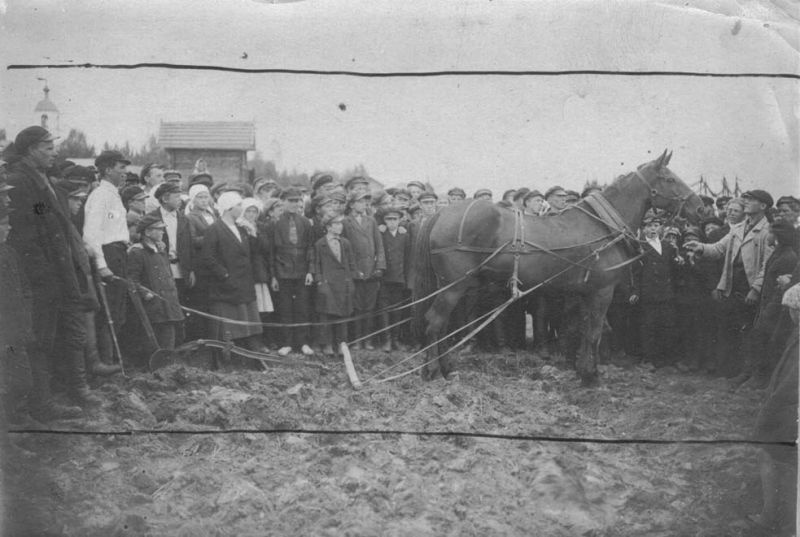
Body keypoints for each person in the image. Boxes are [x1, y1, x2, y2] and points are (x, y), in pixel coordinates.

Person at [6, 126, 102, 420]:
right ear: (31, 148)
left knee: (48, 338)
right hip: (40, 279)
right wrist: (47, 275)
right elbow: (28, 236)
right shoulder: (22, 181)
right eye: (48, 148)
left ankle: (45, 401)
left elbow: (45, 220)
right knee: (39, 339)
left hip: (53, 274)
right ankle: (40, 405)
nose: (54, 152)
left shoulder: (38, 179)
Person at [684, 189, 774, 383]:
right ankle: (728, 371)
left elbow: (768, 264)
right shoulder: (738, 228)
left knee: (749, 332)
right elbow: (717, 249)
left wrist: (756, 289)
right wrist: (699, 247)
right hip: (733, 286)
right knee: (729, 329)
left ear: (763, 206)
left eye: (751, 200)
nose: (747, 202)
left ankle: (746, 374)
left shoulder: (768, 232)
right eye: (746, 199)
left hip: (750, 289)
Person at [749, 282, 799, 535]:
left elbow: (791, 383)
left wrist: (769, 408)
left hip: (787, 412)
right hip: (787, 408)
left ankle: (772, 517)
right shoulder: (796, 335)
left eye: (792, 309)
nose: (790, 314)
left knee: (769, 454)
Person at [200, 191, 266, 356]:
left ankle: (247, 348)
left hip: (243, 281)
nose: (241, 208)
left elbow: (252, 253)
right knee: (230, 321)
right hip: (226, 284)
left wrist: (253, 235)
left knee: (246, 317)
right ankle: (230, 352)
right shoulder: (214, 229)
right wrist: (224, 275)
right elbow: (208, 257)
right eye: (238, 205)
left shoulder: (241, 228)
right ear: (229, 208)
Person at [83, 149, 132, 365]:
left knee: (119, 313)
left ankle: (112, 361)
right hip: (109, 255)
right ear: (107, 169)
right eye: (121, 168)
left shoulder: (113, 195)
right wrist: (102, 265)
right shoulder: (101, 195)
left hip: (119, 254)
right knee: (109, 315)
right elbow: (91, 234)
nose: (126, 172)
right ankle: (107, 364)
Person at [629, 211, 681, 367]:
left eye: (656, 226)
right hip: (648, 294)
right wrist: (635, 292)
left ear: (661, 228)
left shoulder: (668, 246)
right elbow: (635, 272)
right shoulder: (639, 247)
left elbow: (674, 270)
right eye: (649, 226)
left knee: (668, 326)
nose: (653, 229)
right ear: (643, 229)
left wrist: (679, 262)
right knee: (648, 327)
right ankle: (649, 359)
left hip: (666, 293)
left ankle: (668, 359)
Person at [127, 215, 184, 351]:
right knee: (156, 335)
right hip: (153, 304)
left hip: (168, 301)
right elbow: (132, 279)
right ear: (147, 232)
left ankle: (168, 363)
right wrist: (144, 293)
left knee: (170, 332)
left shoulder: (161, 250)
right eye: (158, 229)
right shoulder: (137, 252)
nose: (162, 232)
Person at [148, 182, 195, 344]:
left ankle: (182, 343)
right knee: (166, 307)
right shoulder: (153, 217)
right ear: (165, 199)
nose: (180, 200)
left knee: (182, 305)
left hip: (181, 269)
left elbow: (189, 246)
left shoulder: (184, 218)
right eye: (176, 197)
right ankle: (168, 344)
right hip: (162, 270)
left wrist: (191, 270)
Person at [271, 187, 315, 356]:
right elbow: (272, 253)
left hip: (302, 272)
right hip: (283, 272)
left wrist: (310, 271)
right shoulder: (276, 223)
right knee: (285, 308)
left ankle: (303, 342)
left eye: (297, 201)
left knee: (303, 307)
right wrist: (274, 275)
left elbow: (310, 248)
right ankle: (287, 342)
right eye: (290, 201)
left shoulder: (305, 222)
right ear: (283, 202)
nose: (294, 204)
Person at [342, 190, 386, 349]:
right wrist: (352, 271)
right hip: (355, 271)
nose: (364, 205)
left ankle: (367, 340)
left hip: (371, 271)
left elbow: (379, 245)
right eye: (360, 201)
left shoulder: (371, 221)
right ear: (352, 204)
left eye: (365, 202)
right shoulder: (345, 222)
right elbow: (345, 249)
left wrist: (380, 266)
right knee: (357, 306)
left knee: (370, 306)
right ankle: (357, 340)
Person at [311, 214, 356, 355]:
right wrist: (319, 281)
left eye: (341, 224)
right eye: (336, 224)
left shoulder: (345, 243)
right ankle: (327, 344)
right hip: (327, 283)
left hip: (343, 283)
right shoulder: (320, 244)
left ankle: (341, 343)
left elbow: (351, 262)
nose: (340, 226)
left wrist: (351, 278)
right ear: (328, 227)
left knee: (343, 314)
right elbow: (316, 263)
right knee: (326, 314)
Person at [378, 208, 412, 352]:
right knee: (384, 309)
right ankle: (386, 340)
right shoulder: (380, 233)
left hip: (399, 279)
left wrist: (406, 278)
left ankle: (395, 339)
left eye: (395, 219)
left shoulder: (405, 236)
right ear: (384, 221)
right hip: (384, 279)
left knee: (397, 310)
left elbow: (408, 258)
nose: (392, 223)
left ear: (399, 221)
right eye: (388, 219)